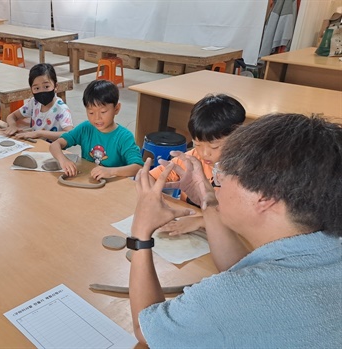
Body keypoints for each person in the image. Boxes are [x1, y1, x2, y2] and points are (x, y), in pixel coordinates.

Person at [128, 113, 342, 348]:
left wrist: (140, 231)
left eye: (224, 174)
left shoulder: (223, 301)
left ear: (266, 197)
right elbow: (243, 271)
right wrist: (207, 199)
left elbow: (146, 330)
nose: (217, 182)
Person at [150, 93, 245, 235]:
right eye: (198, 144)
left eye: (214, 147)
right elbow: (149, 178)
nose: (205, 153)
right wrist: (157, 201)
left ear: (239, 137)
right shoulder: (192, 160)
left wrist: (200, 221)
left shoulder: (247, 171)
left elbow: (243, 221)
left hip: (226, 236)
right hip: (190, 232)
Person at [49, 80, 143, 180]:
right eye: (91, 113)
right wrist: (63, 160)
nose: (97, 118)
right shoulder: (85, 128)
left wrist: (111, 171)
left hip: (112, 187)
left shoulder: (124, 137)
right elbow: (54, 145)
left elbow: (138, 167)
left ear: (116, 109)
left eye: (103, 112)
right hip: (89, 182)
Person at [3, 63, 74, 141]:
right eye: (37, 88)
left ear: (56, 86)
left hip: (54, 149)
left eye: (46, 86)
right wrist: (12, 126)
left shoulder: (61, 109)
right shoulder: (34, 103)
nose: (42, 91)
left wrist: (40, 133)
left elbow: (70, 134)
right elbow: (12, 116)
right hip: (36, 145)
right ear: (31, 89)